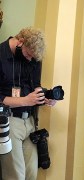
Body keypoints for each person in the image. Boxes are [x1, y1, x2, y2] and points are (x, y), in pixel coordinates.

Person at [0, 27, 57, 180]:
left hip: (30, 122)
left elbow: (35, 85)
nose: (29, 59)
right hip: (8, 122)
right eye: (28, 54)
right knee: (15, 176)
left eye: (33, 57)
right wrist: (25, 100)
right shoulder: (1, 55)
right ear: (20, 42)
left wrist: (43, 97)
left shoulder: (33, 58)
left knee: (31, 175)